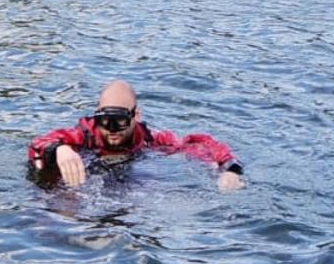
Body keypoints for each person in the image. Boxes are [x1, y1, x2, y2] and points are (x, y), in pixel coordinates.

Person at [28, 80, 245, 190]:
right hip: (81, 182)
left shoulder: (150, 140)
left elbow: (202, 144)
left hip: (127, 184)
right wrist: (59, 148)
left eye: (120, 121)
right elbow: (38, 143)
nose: (111, 130)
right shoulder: (83, 136)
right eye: (105, 120)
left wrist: (230, 170)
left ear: (136, 116)